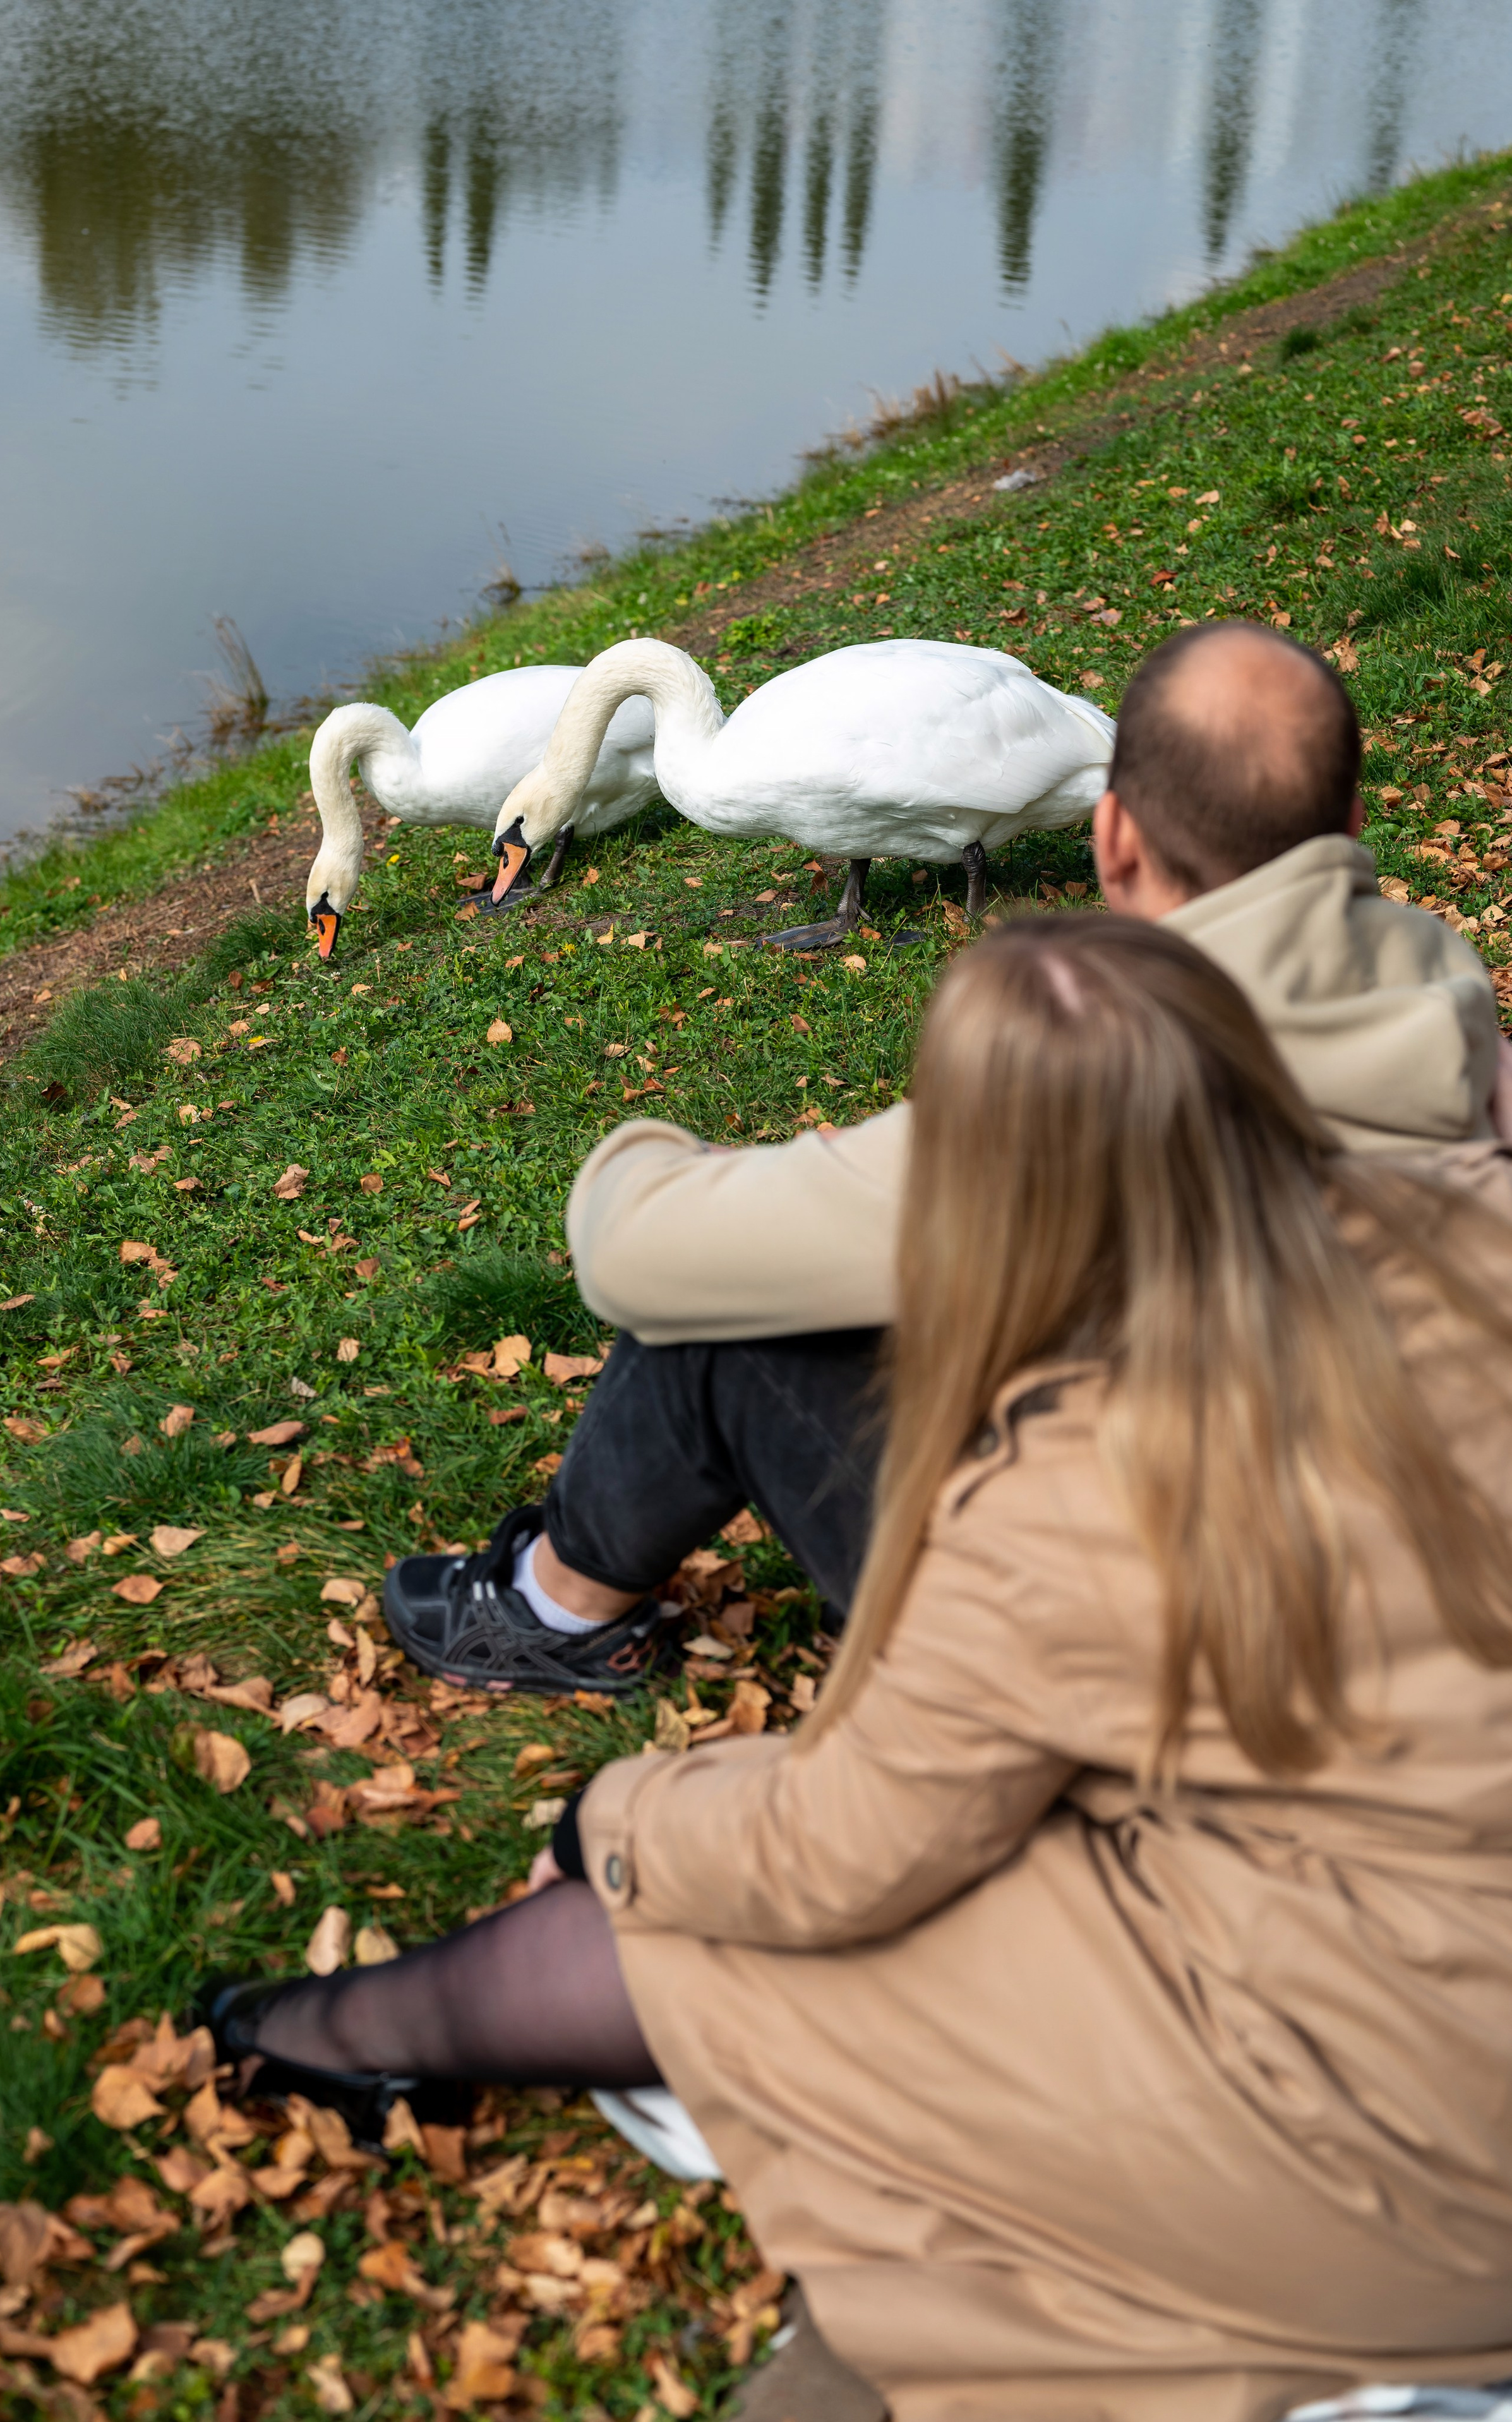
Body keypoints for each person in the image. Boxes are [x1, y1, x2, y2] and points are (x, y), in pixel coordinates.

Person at [209, 916, 1512, 2421]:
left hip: (1417, 2152)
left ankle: (322, 2035)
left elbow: (840, 1849)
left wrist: (619, 1824)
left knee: (733, 1928)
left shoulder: (1066, 1491)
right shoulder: (1465, 1232)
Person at [382, 620, 1510, 1694]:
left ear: (1112, 845)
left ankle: (548, 1608)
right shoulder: (1474, 1044)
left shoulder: (1079, 1097)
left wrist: (641, 1153)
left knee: (723, 1331)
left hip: (1158, 1622)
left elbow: (628, 1246)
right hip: (1372, 1557)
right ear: (1352, 820)